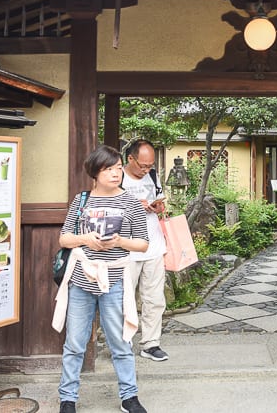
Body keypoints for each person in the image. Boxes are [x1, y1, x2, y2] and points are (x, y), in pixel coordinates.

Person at [54, 145, 150, 413]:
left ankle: (129, 397)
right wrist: (85, 239)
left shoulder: (130, 202)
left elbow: (143, 243)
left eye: (118, 168)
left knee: (120, 342)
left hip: (115, 280)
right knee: (74, 343)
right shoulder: (81, 200)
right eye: (109, 169)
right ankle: (68, 398)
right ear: (95, 172)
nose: (116, 173)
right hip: (81, 281)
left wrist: (119, 241)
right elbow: (64, 238)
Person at [121, 139, 169, 362]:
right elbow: (104, 206)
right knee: (123, 298)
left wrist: (158, 206)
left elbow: (160, 202)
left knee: (154, 298)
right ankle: (122, 343)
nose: (146, 169)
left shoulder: (152, 175)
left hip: (154, 245)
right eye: (142, 165)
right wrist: (133, 204)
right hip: (126, 248)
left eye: (150, 165)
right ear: (130, 159)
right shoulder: (116, 176)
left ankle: (151, 343)